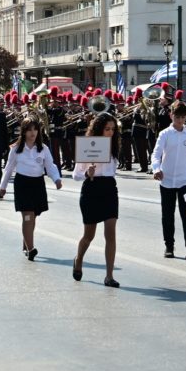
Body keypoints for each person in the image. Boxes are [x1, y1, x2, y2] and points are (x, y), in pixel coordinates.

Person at [0, 116, 63, 261]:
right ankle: (31, 249)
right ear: (24, 132)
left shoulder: (43, 148)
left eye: (35, 129)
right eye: (29, 130)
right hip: (22, 184)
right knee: (27, 216)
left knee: (33, 218)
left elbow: (50, 165)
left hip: (37, 184)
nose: (32, 133)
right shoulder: (16, 149)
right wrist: (2, 186)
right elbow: (8, 168)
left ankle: (26, 243)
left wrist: (57, 179)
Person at [72, 113, 122, 287]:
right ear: (99, 129)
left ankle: (109, 275)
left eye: (113, 129)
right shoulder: (87, 145)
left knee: (110, 233)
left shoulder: (114, 145)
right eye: (107, 129)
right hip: (91, 189)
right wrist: (88, 172)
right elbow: (76, 175)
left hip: (109, 189)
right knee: (89, 235)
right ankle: (78, 260)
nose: (110, 132)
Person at [151, 102, 186, 261]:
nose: (180, 120)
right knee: (167, 215)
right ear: (171, 115)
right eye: (177, 116)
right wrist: (156, 169)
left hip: (185, 179)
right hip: (167, 180)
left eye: (182, 117)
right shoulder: (165, 134)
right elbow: (156, 153)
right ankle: (169, 246)